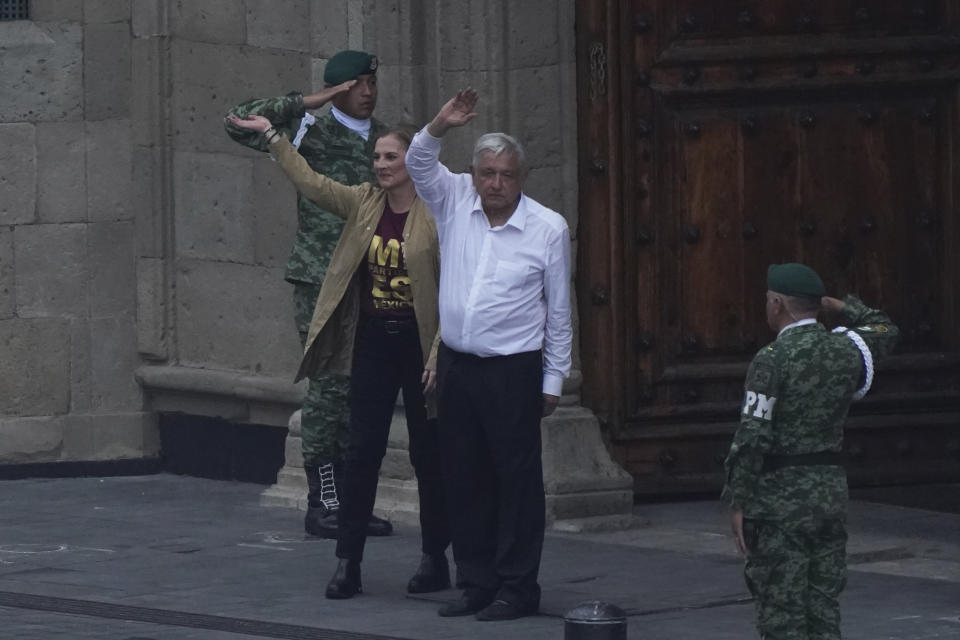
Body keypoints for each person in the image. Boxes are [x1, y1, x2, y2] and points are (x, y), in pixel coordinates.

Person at [228, 102, 451, 599]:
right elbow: (312, 183)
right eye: (377, 156)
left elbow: (453, 289)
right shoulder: (365, 202)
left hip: (419, 347)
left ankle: (435, 558)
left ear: (413, 160)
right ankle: (348, 562)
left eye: (390, 157)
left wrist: (438, 351)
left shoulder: (437, 212)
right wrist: (273, 138)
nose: (380, 165)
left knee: (426, 454)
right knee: (362, 450)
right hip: (373, 343)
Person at [405, 88, 573, 621]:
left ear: (521, 179)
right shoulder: (454, 201)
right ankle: (475, 580)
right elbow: (416, 161)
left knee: (516, 484)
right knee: (464, 475)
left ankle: (517, 587)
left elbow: (560, 312)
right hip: (457, 366)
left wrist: (553, 381)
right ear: (473, 175)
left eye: (506, 175)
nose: (495, 184)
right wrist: (441, 122)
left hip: (513, 371)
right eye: (487, 173)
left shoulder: (548, 228)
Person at [224, 50, 391, 539]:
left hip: (374, 279)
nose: (366, 91)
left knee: (365, 393)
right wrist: (308, 100)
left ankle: (355, 502)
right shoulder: (307, 131)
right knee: (330, 389)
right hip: (321, 278)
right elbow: (237, 120)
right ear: (338, 89)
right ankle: (325, 503)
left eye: (370, 83)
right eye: (356, 84)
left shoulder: (386, 139)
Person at [722, 263, 899, 640]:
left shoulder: (772, 359)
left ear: (778, 305)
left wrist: (738, 500)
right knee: (823, 605)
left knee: (782, 611)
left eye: (769, 301)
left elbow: (753, 435)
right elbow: (885, 327)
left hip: (779, 504)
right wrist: (841, 307)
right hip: (830, 495)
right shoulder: (846, 350)